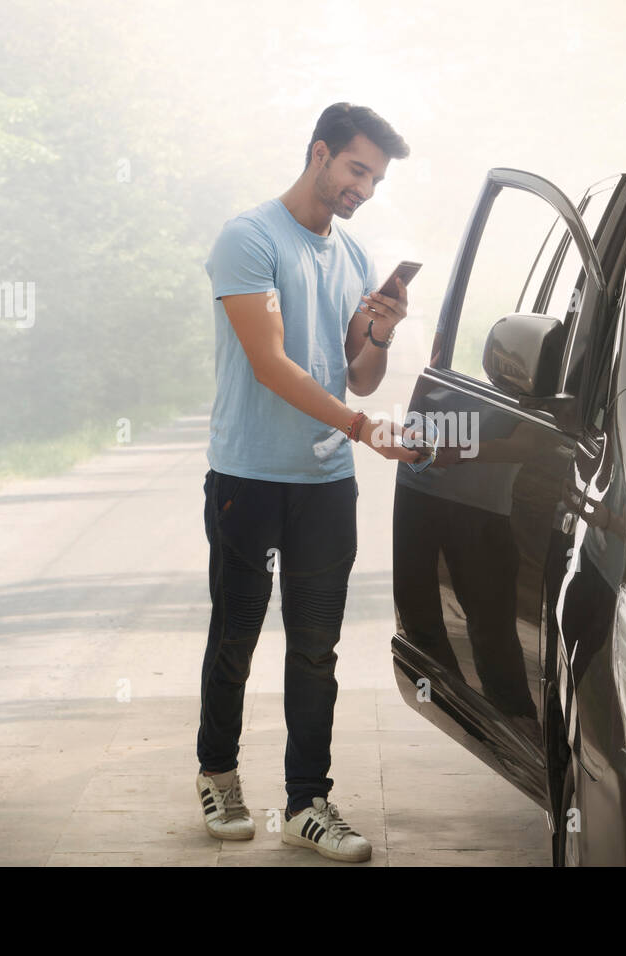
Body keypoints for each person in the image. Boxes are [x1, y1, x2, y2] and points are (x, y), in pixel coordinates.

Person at [196, 102, 425, 863]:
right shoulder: (249, 239)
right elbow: (270, 363)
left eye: (377, 177)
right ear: (320, 153)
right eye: (357, 168)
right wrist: (363, 430)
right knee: (236, 634)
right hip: (249, 477)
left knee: (316, 646)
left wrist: (381, 329)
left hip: (326, 481)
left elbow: (357, 375)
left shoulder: (355, 255)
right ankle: (219, 775)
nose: (365, 186)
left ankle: (305, 803)